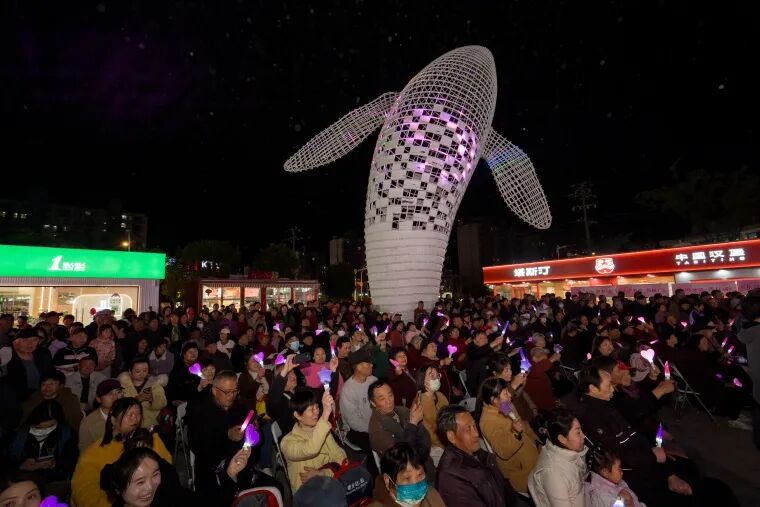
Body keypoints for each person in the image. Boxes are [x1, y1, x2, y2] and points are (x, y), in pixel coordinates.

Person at [71, 398, 172, 507]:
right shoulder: (95, 451)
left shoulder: (151, 440)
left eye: (138, 414)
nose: (135, 418)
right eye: (130, 414)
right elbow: (84, 487)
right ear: (113, 420)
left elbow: (167, 471)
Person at [435, 405, 517, 506]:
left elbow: (502, 486)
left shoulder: (476, 452)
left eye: (474, 426)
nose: (476, 434)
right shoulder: (451, 478)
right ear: (451, 436)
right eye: (468, 429)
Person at [476, 378, 538, 494]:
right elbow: (503, 450)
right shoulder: (487, 421)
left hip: (533, 457)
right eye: (505, 393)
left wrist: (534, 439)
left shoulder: (502, 406)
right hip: (524, 473)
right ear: (493, 399)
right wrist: (515, 433)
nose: (510, 395)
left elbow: (520, 423)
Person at [280, 389, 347, 492]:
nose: (317, 412)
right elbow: (311, 449)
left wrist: (323, 473)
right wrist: (325, 415)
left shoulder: (323, 430)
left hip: (330, 484)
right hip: (308, 494)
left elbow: (341, 459)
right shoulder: (287, 442)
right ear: (297, 415)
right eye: (311, 409)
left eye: (317, 407)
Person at [367, 380, 433, 477]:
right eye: (382, 399)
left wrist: (421, 455)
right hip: (404, 473)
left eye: (390, 395)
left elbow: (425, 435)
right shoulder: (377, 429)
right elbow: (400, 456)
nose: (388, 401)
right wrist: (412, 424)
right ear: (373, 403)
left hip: (423, 460)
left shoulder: (402, 410)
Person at [528, 408, 588, 507]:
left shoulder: (570, 453)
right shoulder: (553, 474)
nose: (584, 436)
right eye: (578, 432)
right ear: (562, 439)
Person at [9, 400, 78, 486]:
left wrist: (55, 464)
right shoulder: (18, 436)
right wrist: (21, 465)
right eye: (38, 428)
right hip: (22, 479)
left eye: (49, 427)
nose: (43, 431)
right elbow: (6, 462)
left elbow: (71, 462)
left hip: (53, 482)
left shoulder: (67, 434)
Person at [371, 442, 446, 507]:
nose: (416, 484)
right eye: (407, 478)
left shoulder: (432, 495)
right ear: (387, 480)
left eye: (420, 475)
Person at [338, 348, 377, 454]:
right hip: (355, 429)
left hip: (376, 422)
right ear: (359, 367)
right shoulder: (348, 390)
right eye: (368, 363)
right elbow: (354, 422)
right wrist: (375, 428)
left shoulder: (373, 380)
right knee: (376, 444)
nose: (372, 365)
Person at [118, 358, 167, 429]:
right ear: (130, 371)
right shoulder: (123, 385)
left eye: (145, 370)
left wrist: (152, 400)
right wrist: (135, 400)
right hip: (128, 423)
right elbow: (119, 406)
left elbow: (163, 403)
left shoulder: (155, 384)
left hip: (150, 424)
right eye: (137, 371)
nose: (142, 374)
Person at [6, 328, 53, 401]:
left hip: (41, 397)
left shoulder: (42, 356)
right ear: (15, 342)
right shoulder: (8, 358)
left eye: (34, 340)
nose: (30, 343)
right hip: (17, 400)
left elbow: (50, 375)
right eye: (25, 340)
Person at [79, 379, 124, 452]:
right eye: (109, 393)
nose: (115, 397)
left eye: (118, 392)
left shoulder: (129, 414)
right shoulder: (89, 423)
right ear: (98, 399)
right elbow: (85, 451)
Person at [416, 364, 448, 466]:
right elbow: (433, 429)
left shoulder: (439, 395)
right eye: (431, 375)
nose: (436, 378)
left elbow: (449, 417)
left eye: (437, 375)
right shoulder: (422, 400)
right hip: (433, 446)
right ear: (422, 380)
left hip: (446, 439)